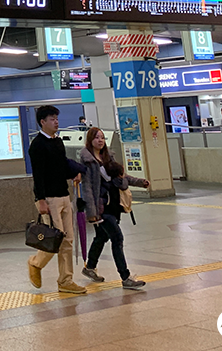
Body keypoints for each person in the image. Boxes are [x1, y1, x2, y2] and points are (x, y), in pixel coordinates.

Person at [79, 127, 149, 290]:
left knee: (102, 237)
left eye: (102, 137)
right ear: (90, 140)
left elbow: (122, 177)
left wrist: (140, 182)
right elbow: (87, 187)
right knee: (117, 238)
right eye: (97, 138)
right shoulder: (88, 161)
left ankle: (90, 267)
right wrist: (92, 212)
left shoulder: (108, 158)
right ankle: (125, 277)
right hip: (101, 207)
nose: (100, 140)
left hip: (114, 206)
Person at [27, 104, 87, 294]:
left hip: (64, 194)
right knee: (56, 238)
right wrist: (40, 199)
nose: (56, 122)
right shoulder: (37, 145)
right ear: (42, 122)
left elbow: (62, 165)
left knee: (68, 239)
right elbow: (39, 174)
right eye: (52, 119)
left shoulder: (58, 141)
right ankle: (36, 263)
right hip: (49, 198)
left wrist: (76, 172)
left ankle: (66, 280)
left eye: (57, 118)